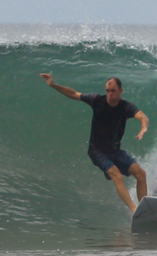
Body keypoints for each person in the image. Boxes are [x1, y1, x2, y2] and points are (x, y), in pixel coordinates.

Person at [39, 73, 149, 213]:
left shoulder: (125, 106)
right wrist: (53, 85)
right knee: (117, 175)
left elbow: (142, 116)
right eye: (107, 91)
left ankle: (146, 208)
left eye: (113, 91)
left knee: (141, 174)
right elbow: (73, 94)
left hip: (115, 151)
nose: (109, 94)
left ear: (120, 91)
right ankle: (134, 210)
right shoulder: (97, 100)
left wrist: (143, 127)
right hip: (97, 151)